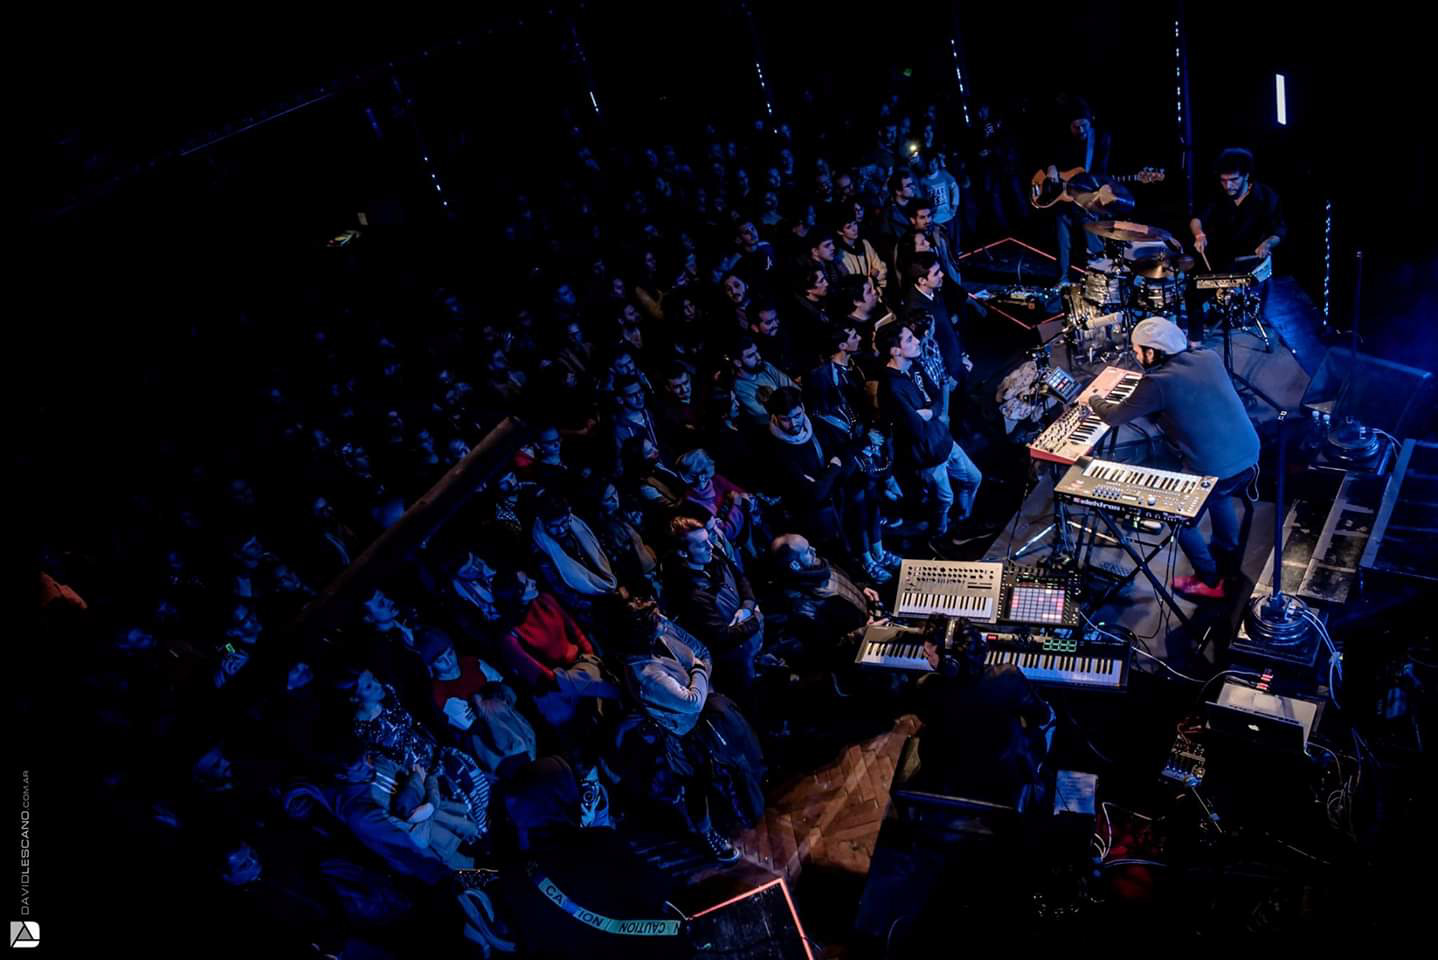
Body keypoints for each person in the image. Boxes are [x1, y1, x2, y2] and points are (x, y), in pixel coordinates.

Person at [1082, 317, 1260, 600]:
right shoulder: (1207, 356)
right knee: (1220, 495)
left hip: (1214, 466)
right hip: (1248, 452)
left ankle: (1210, 579)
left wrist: (1092, 398)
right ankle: (1227, 550)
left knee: (1178, 518)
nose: (1136, 357)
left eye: (1137, 351)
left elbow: (1114, 416)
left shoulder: (1157, 382)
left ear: (1152, 352)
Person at [914, 619, 1054, 804]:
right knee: (1048, 720)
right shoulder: (1007, 676)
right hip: (1000, 770)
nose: (926, 657)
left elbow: (927, 717)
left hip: (947, 768)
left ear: (950, 663)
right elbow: (1041, 716)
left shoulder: (926, 687)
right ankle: (1036, 780)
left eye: (928, 653)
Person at [875, 323, 985, 545]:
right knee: (944, 500)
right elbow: (914, 425)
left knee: (974, 478)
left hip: (944, 441)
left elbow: (936, 397)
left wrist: (931, 412)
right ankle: (939, 536)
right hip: (927, 456)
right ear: (895, 350)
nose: (917, 341)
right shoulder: (891, 386)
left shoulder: (914, 365)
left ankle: (963, 522)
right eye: (909, 339)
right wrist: (927, 413)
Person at [1188, 148, 1287, 340]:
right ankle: (1195, 341)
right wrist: (1199, 234)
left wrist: (1267, 243)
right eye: (1223, 180)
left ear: (1246, 176)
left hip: (1251, 259)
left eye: (1233, 180)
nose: (1228, 186)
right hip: (1219, 257)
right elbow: (1196, 219)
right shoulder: (1216, 194)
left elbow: (1279, 231)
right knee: (1193, 289)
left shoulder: (1266, 196)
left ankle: (1252, 314)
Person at [1031, 97, 1111, 281]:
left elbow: (1102, 171)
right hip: (1063, 195)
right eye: (1075, 127)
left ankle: (1099, 279)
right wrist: (1050, 167)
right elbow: (1044, 152)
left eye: (1083, 125)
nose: (1080, 130)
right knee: (1062, 237)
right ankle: (1062, 278)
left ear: (1090, 121)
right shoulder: (1061, 136)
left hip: (1088, 195)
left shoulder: (1102, 138)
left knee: (1093, 234)